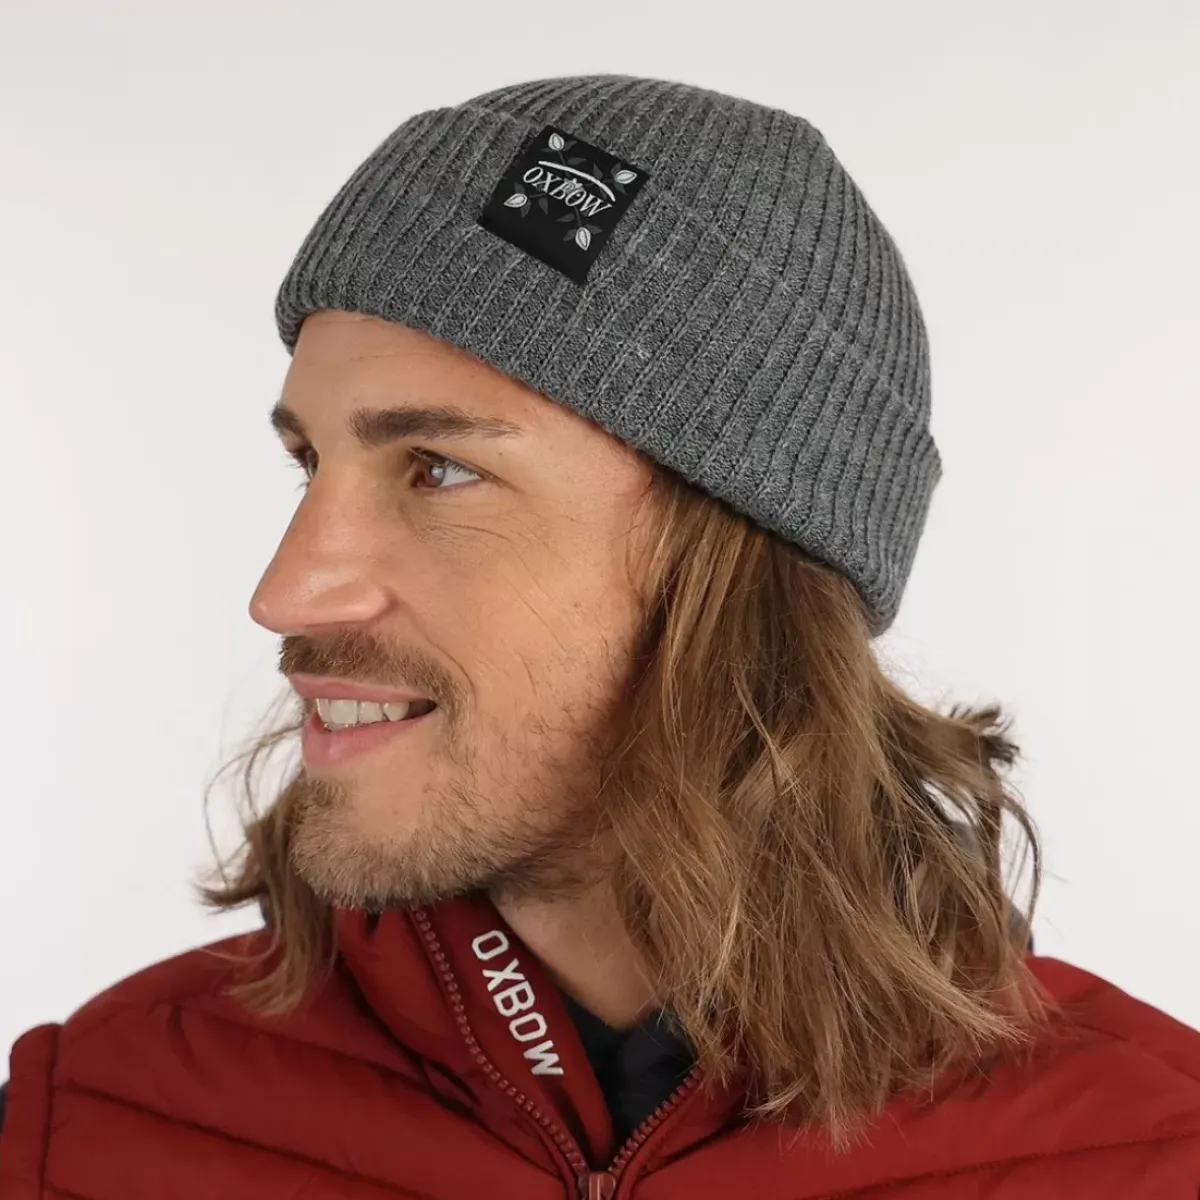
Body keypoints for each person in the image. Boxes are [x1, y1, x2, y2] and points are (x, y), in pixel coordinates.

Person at [2, 74, 1198, 1199]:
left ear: (741, 561)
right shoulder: (89, 1130)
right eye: (309, 463)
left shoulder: (1148, 1149)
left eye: (438, 469)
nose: (288, 591)